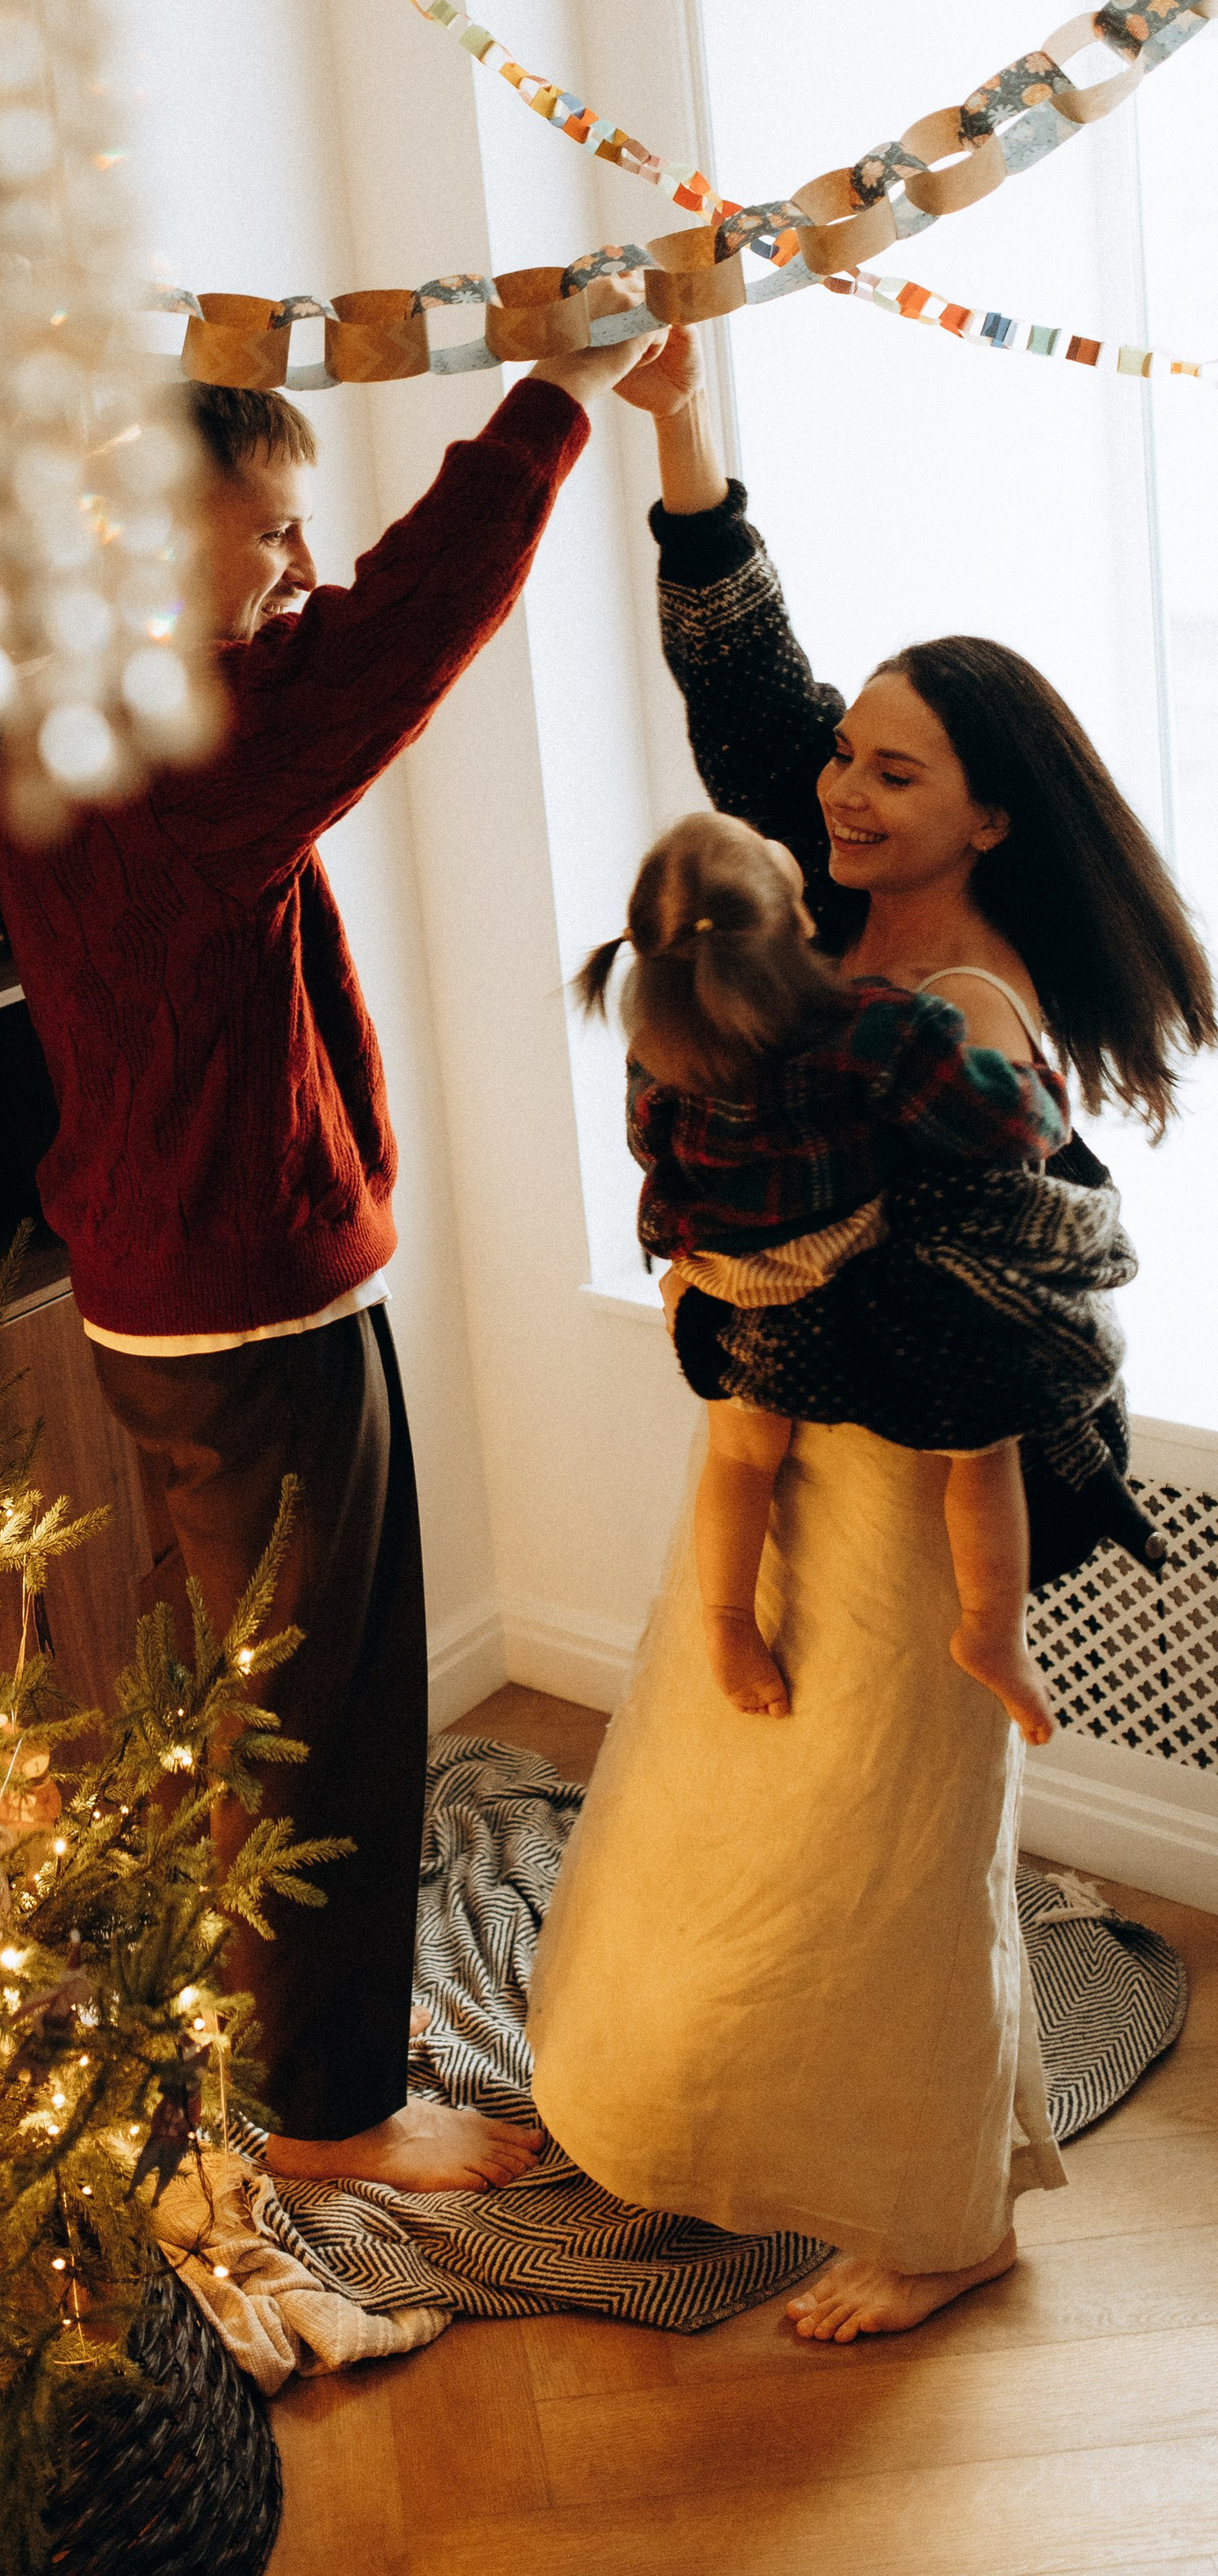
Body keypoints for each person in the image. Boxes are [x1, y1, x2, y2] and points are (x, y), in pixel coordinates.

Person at [528, 318, 1214, 2342]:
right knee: (736, 1811)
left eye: (887, 770)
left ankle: (932, 2218)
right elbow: (748, 694)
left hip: (905, 1499)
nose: (835, 785)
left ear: (982, 819)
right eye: (844, 758)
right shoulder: (823, 909)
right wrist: (677, 430)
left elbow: (1001, 1320)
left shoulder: (960, 1014)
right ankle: (770, 2125)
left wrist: (740, 1319)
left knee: (864, 1861)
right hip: (784, 1454)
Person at [0, 329, 662, 2196]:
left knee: (302, 1699)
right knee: (321, 1723)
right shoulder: (170, 755)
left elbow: (337, 641)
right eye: (270, 530)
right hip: (239, 1313)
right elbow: (393, 638)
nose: (305, 565)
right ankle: (332, 2122)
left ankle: (313, 2056)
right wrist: (556, 396)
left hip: (220, 1287)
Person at [576, 807, 1068, 1740]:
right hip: (848, 1289)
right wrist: (1041, 1080)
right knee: (982, 1442)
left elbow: (650, 1153)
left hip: (727, 1293)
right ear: (795, 919)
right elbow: (1011, 1127)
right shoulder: (878, 1028)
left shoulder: (656, 1051)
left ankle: (728, 1622)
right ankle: (991, 1631)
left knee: (739, 1458)